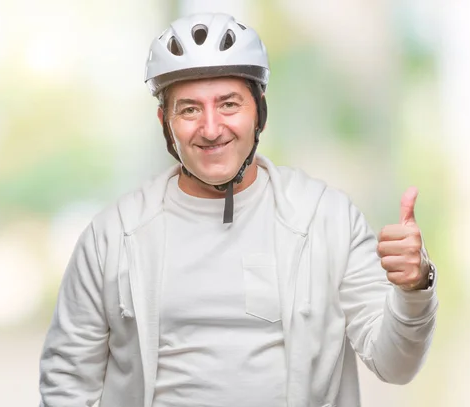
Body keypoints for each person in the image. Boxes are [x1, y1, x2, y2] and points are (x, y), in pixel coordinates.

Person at [39, 12, 437, 407]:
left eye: (228, 104)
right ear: (165, 122)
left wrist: (414, 287)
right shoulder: (112, 236)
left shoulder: (327, 218)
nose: (211, 129)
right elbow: (67, 385)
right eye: (190, 109)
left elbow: (395, 365)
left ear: (259, 112)